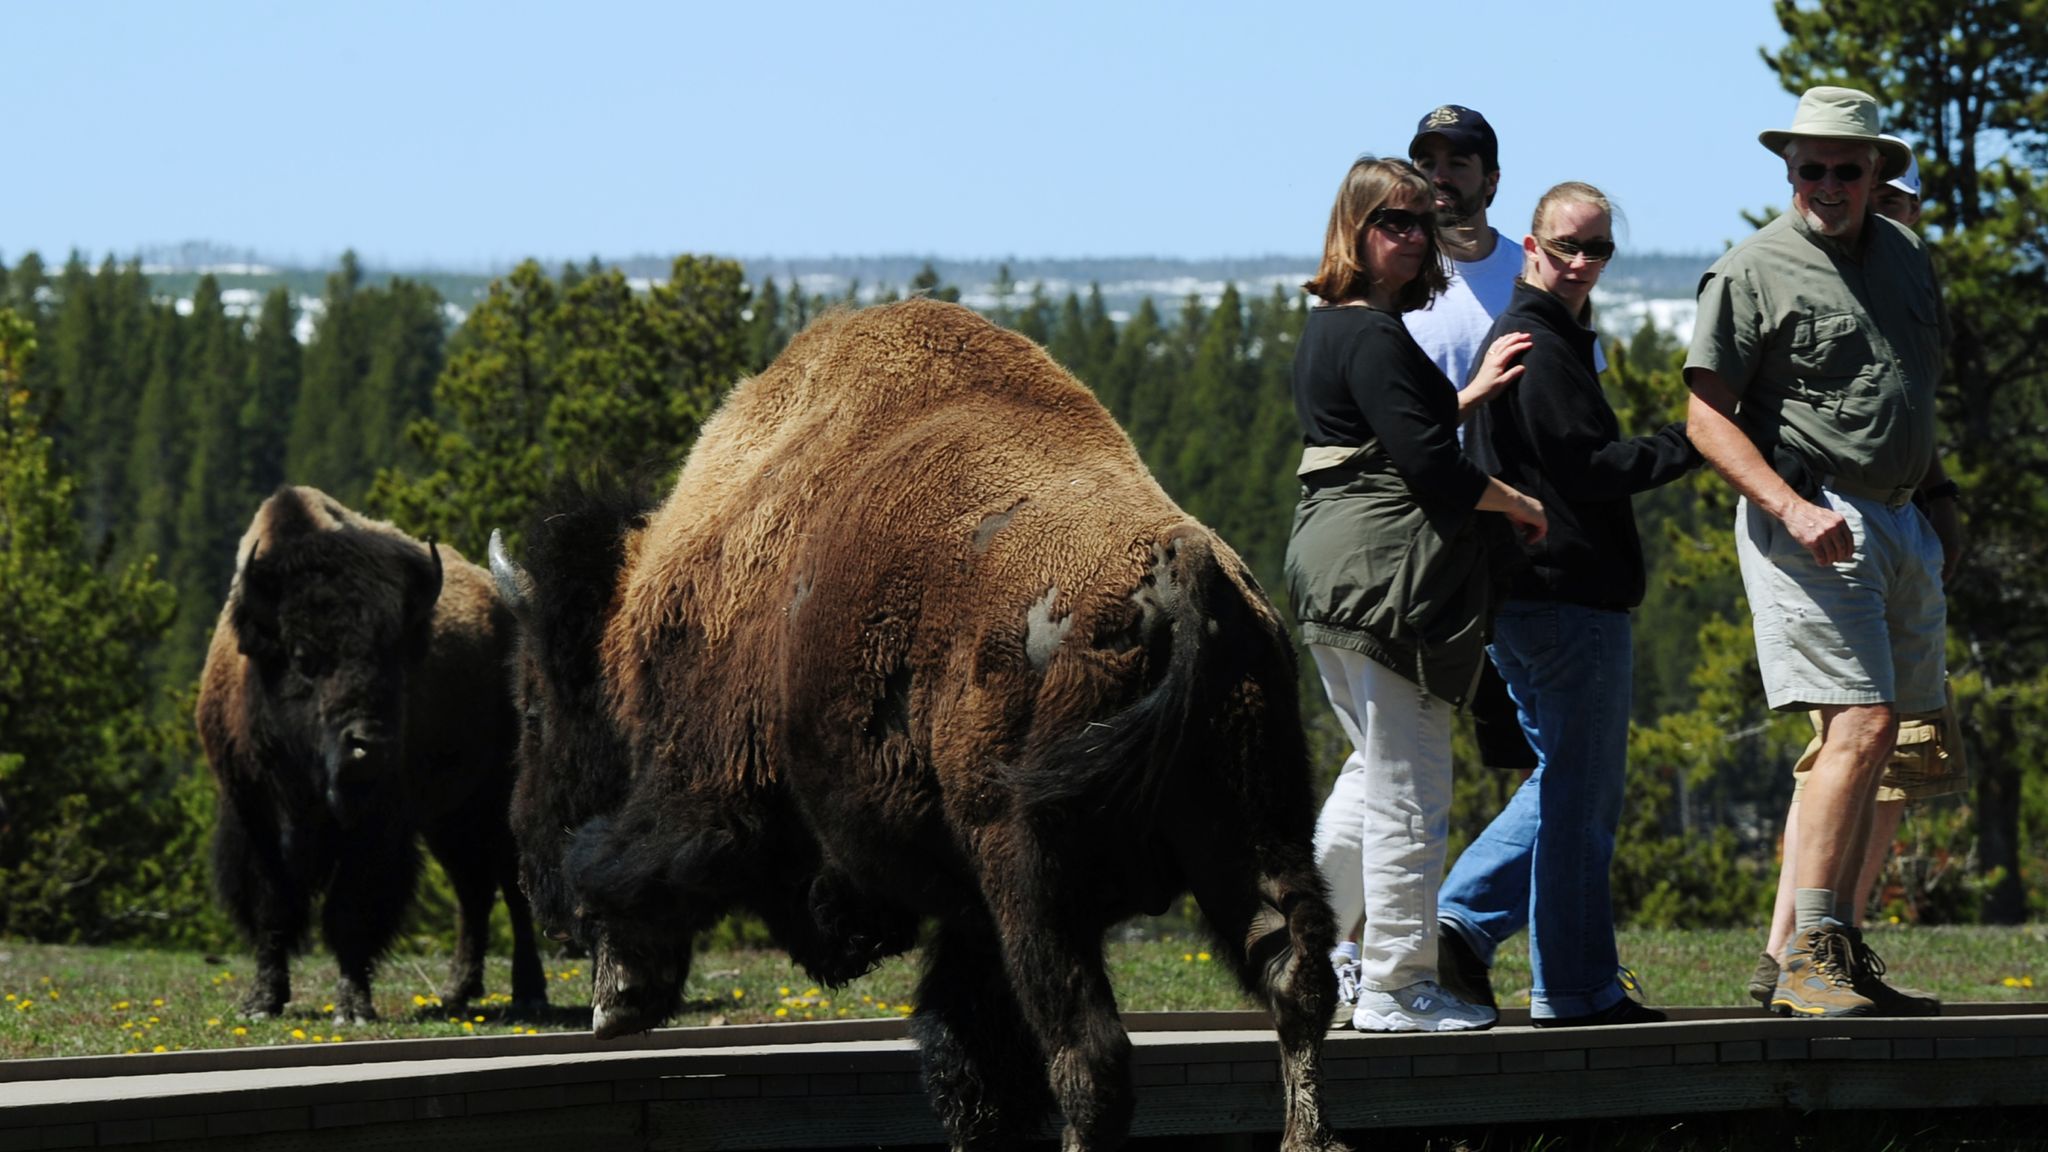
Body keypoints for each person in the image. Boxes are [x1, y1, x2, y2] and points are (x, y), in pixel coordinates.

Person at [1684, 87, 1958, 1018]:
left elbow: (1913, 390)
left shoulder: (1908, 256)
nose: (1829, 184)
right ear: (1788, 170)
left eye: (1847, 168)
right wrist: (1792, 509)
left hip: (1900, 518)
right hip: (1813, 517)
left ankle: (1819, 951)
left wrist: (1937, 509)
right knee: (1861, 727)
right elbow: (1704, 419)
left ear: (1877, 170)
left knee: (1896, 747)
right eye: (1811, 168)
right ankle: (1810, 954)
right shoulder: (1752, 270)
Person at [1285, 155, 1546, 1033]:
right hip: (1391, 580)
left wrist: (1464, 394)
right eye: (1390, 221)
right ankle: (1399, 986)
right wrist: (1517, 503)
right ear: (1351, 231)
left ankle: (1301, 949)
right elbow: (1433, 467)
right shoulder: (1373, 334)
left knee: (1371, 770)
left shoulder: (1332, 327)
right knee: (1410, 782)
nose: (1411, 235)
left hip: (1334, 571)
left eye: (1421, 221)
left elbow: (1390, 432)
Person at [1428, 183, 1698, 1028]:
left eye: (1599, 250)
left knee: (1565, 782)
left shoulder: (1536, 335)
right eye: (1568, 247)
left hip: (1534, 597)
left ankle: (1464, 925)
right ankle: (1575, 988)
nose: (1583, 263)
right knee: (1582, 800)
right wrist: (1695, 440)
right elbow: (1587, 467)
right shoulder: (1541, 345)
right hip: (1565, 598)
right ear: (1531, 246)